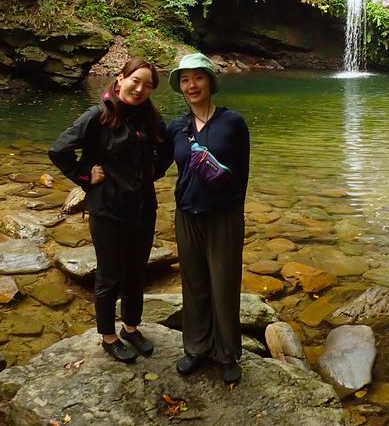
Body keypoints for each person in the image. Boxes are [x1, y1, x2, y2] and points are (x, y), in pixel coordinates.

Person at [49, 57, 173, 363]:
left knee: (136, 272)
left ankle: (131, 327)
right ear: (120, 79)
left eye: (147, 85)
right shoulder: (98, 116)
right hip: (108, 209)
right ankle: (108, 336)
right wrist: (84, 177)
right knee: (109, 275)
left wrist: (152, 172)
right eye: (135, 81)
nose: (140, 89)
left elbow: (166, 149)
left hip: (143, 207)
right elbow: (59, 149)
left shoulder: (150, 118)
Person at [166, 52, 251, 386]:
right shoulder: (176, 127)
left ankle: (227, 353)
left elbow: (242, 173)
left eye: (197, 78)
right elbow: (153, 165)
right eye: (185, 80)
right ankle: (197, 348)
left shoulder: (233, 122)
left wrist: (236, 215)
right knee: (195, 283)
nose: (191, 85)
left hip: (224, 217)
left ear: (211, 82)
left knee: (224, 284)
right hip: (187, 215)